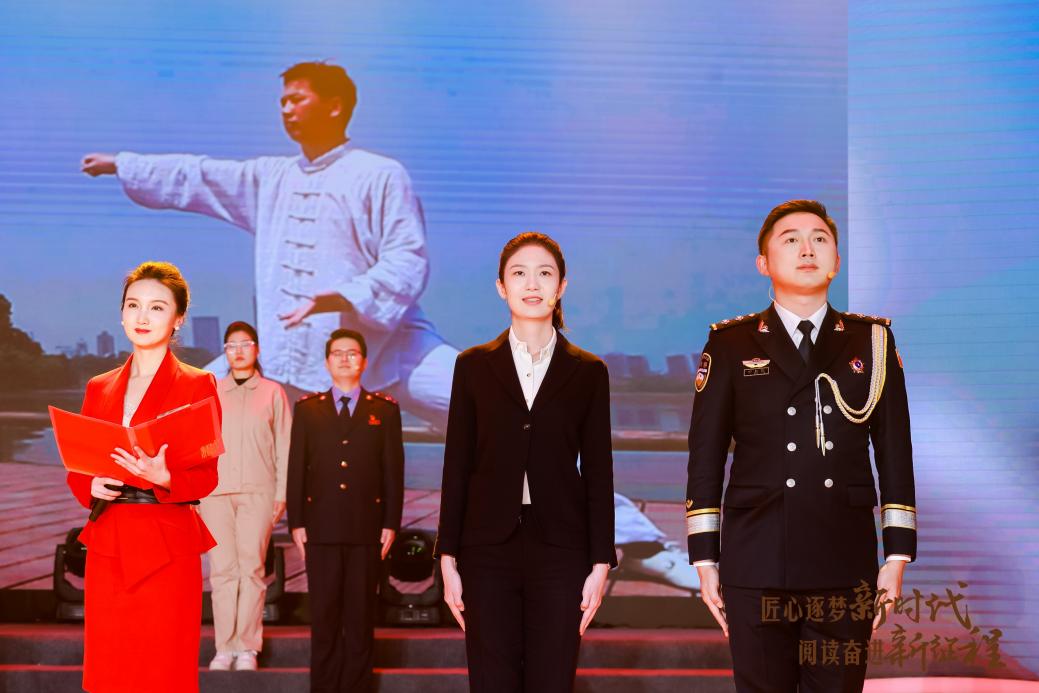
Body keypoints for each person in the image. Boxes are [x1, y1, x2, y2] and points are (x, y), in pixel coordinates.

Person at [79, 61, 693, 590]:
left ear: (335, 105)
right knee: (172, 419)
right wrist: (122, 164)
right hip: (288, 362)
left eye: (297, 98)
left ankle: (639, 544)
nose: (286, 109)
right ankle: (123, 539)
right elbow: (198, 175)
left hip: (392, 350)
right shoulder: (270, 178)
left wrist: (343, 295)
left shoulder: (379, 174)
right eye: (282, 100)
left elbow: (406, 259)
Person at [685, 200, 917, 692]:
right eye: (790, 240)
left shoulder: (872, 341)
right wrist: (705, 559)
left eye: (820, 239)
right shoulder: (730, 343)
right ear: (763, 263)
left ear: (836, 261)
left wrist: (897, 557)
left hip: (843, 559)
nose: (807, 249)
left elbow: (895, 452)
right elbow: (705, 455)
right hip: (757, 558)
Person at [435, 232, 616, 692]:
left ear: (561, 286)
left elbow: (598, 472)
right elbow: (457, 465)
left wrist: (600, 562)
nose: (532, 284)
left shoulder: (588, 371)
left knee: (552, 679)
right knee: (491, 680)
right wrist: (448, 557)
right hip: (486, 549)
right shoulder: (473, 366)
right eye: (519, 273)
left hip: (561, 550)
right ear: (501, 286)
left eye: (544, 273)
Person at [65, 261, 221, 693]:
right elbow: (81, 464)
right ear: (121, 314)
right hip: (109, 538)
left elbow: (207, 476)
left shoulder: (198, 383)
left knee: (163, 667)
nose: (143, 316)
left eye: (157, 307)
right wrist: (88, 485)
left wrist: (166, 476)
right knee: (109, 666)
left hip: (167, 541)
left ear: (178, 319)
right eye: (133, 305)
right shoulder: (99, 386)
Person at [287, 328, 404, 692]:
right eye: (337, 353)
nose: (344, 359)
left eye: (351, 353)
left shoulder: (384, 410)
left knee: (359, 618)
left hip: (366, 530)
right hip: (320, 530)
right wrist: (296, 522)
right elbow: (296, 469)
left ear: (364, 362)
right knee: (324, 618)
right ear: (326, 362)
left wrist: (391, 523)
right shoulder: (308, 409)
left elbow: (393, 471)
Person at [198, 321, 292, 671]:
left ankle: (247, 648)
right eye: (231, 346)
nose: (238, 351)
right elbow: (199, 446)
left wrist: (281, 493)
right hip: (215, 494)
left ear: (257, 349)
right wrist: (196, 493)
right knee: (222, 571)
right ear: (225, 352)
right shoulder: (211, 393)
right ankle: (224, 648)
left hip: (259, 492)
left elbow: (285, 446)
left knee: (251, 570)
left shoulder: (272, 392)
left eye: (245, 344)